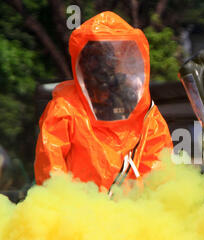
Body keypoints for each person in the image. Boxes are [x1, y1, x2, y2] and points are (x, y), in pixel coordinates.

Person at [34, 11, 173, 192]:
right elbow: (52, 173)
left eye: (104, 60)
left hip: (129, 213)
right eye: (93, 59)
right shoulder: (65, 109)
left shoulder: (147, 114)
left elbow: (159, 173)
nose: (100, 68)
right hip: (81, 213)